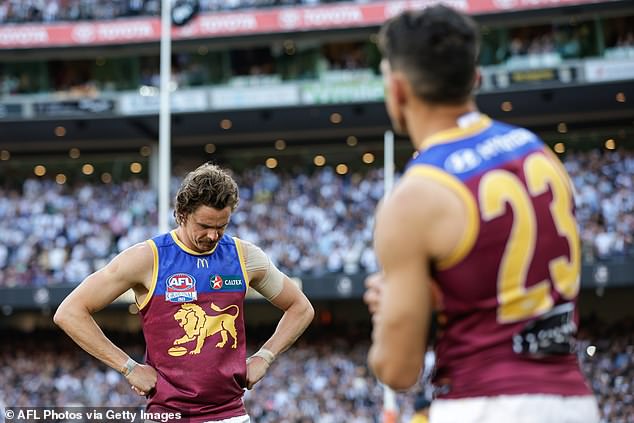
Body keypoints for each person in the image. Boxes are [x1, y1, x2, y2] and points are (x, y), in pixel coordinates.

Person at [363, 6, 599, 423]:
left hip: (484, 402)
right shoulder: (536, 149)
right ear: (475, 79)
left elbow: (398, 370)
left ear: (397, 90)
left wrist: (393, 311)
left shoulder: (414, 196)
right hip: (574, 399)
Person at [54, 163, 314, 423]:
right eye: (204, 225)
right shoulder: (148, 258)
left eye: (221, 226)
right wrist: (128, 367)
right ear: (181, 214)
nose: (213, 235)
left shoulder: (244, 256)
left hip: (230, 415)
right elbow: (70, 312)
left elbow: (301, 308)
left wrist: (265, 357)